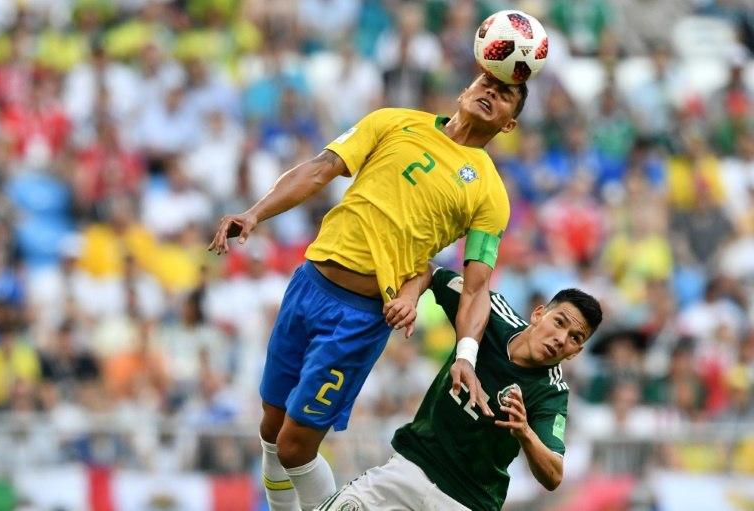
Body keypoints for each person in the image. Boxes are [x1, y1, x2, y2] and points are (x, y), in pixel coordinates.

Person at [208, 73, 528, 510]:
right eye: (486, 83)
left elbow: (476, 287)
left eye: (506, 93)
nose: (491, 92)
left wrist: (466, 356)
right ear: (464, 90)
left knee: (296, 446)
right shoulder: (394, 121)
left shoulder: (490, 193)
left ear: (510, 123)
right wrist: (254, 213)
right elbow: (322, 168)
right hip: (308, 285)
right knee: (271, 431)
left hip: (359, 317)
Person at [319, 263, 603, 510]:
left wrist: (525, 432)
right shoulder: (490, 313)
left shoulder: (552, 392)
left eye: (575, 338)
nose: (560, 338)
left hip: (467, 501)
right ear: (539, 313)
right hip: (411, 468)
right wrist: (408, 298)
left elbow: (553, 475)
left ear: (576, 351)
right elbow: (429, 271)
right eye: (559, 322)